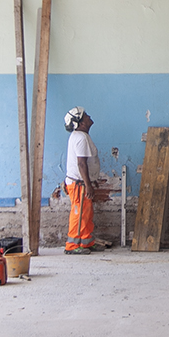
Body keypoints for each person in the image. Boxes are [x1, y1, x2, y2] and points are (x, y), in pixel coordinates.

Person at [63, 106, 101, 255]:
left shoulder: (81, 136)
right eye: (85, 115)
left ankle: (86, 242)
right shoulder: (80, 138)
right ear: (80, 122)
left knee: (86, 214)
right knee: (79, 214)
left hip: (81, 183)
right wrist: (88, 184)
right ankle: (72, 245)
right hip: (79, 184)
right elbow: (81, 164)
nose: (89, 116)